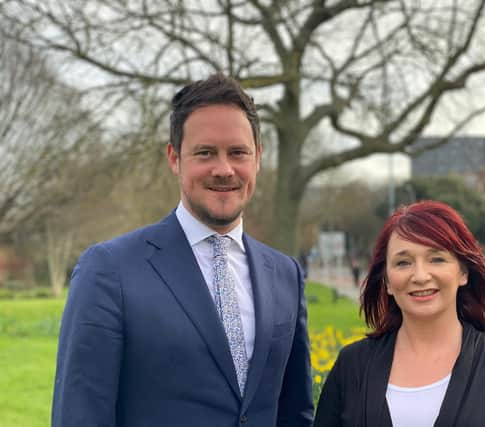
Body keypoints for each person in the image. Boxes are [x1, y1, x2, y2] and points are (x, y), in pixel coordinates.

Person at [52, 74, 314, 427]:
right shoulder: (110, 270)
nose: (224, 169)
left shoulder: (285, 274)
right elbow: (80, 415)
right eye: (205, 153)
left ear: (258, 158)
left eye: (238, 153)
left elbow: (295, 414)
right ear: (175, 158)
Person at [314, 200, 485, 427]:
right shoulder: (353, 366)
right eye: (403, 263)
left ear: (463, 273)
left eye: (436, 259)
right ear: (386, 281)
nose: (420, 275)